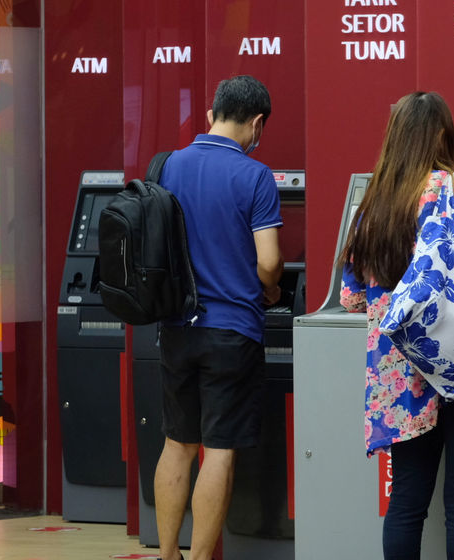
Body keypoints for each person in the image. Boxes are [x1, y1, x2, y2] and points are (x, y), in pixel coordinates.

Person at [339, 91, 454, 560]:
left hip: (402, 373)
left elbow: (352, 296)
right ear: (441, 135)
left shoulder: (374, 201)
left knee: (407, 503)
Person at [153, 75, 284, 560]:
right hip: (232, 331)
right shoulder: (255, 176)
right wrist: (269, 290)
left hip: (176, 328)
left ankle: (166, 554)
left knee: (177, 444)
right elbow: (269, 262)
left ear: (211, 115)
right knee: (219, 449)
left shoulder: (170, 166)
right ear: (256, 124)